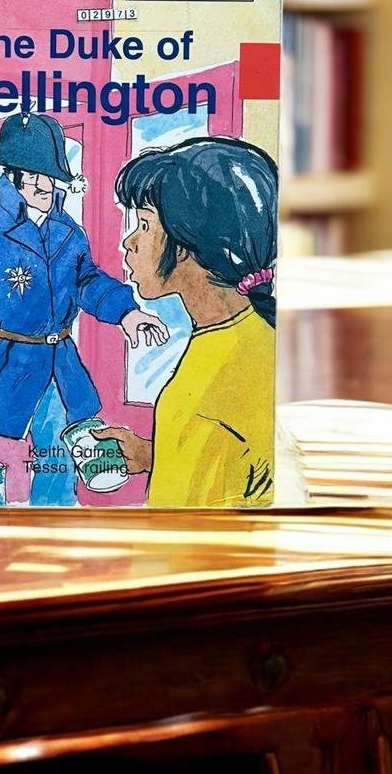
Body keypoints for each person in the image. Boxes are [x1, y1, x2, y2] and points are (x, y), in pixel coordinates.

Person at [0, 112, 169, 505]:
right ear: (12, 177)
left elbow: (88, 282)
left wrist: (127, 313)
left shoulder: (69, 232)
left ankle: (58, 517)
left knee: (64, 457)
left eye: (49, 174)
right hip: (2, 366)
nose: (43, 184)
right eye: (32, 174)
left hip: (60, 364)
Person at [93, 136, 278, 508]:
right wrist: (157, 455)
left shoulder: (201, 402)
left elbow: (177, 533)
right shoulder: (257, 333)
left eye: (145, 225)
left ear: (184, 243)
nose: (129, 242)